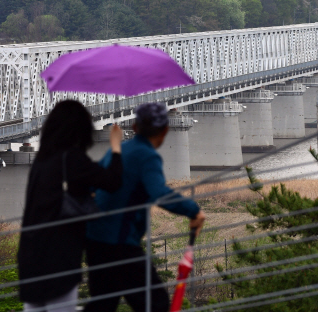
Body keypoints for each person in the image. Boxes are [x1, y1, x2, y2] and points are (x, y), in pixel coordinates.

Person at [84, 103, 206, 312]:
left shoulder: (119, 150)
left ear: (135, 126)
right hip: (120, 244)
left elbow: (93, 185)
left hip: (95, 239)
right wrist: (193, 210)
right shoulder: (147, 156)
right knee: (155, 303)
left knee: (102, 303)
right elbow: (158, 192)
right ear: (165, 130)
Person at [18, 100, 124, 312]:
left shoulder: (41, 160)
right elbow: (112, 181)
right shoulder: (72, 158)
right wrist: (116, 146)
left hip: (29, 255)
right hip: (59, 256)